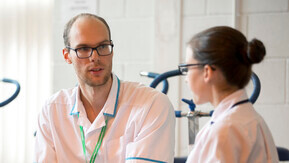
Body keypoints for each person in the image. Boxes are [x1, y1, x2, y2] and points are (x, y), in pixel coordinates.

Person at [34, 13, 175, 163]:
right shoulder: (52, 110)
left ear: (112, 50)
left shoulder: (152, 104)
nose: (95, 57)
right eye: (83, 48)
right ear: (67, 56)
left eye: (102, 46)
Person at [178, 26, 278, 162]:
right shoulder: (250, 119)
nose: (186, 78)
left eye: (188, 68)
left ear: (207, 71)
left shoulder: (224, 132)